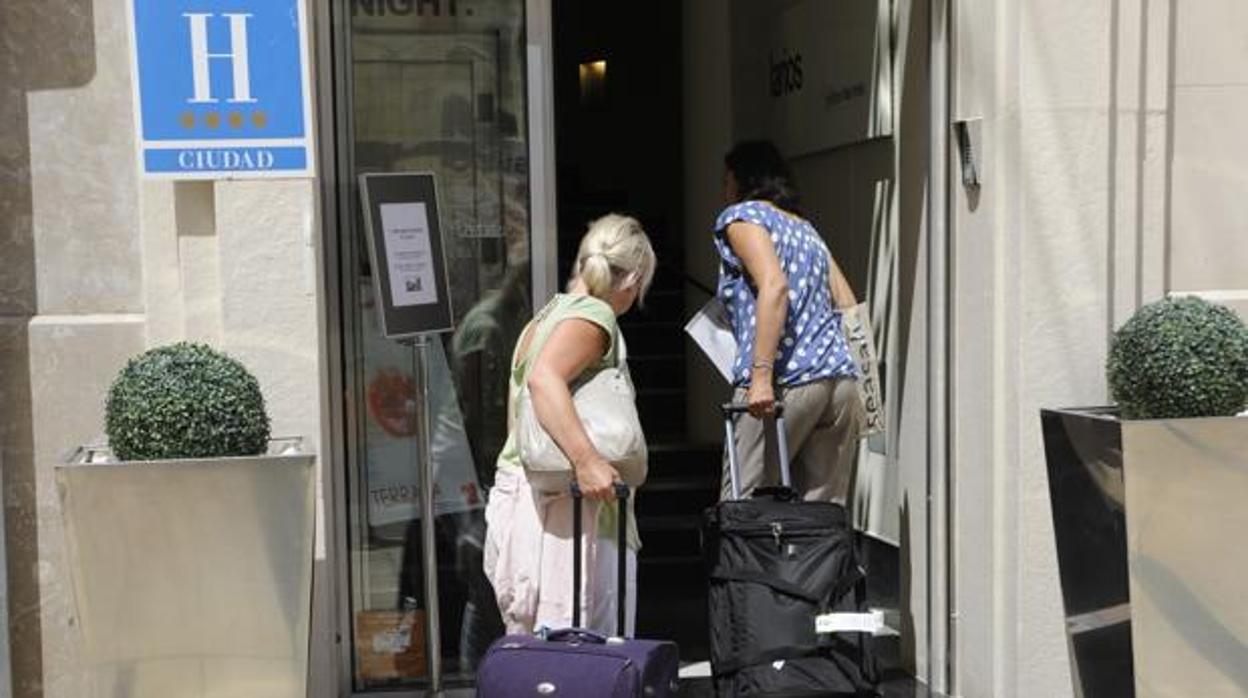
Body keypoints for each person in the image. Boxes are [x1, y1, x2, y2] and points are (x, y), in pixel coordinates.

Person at [483, 213, 656, 636]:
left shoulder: (545, 317)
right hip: (579, 513)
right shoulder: (595, 316)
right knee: (595, 656)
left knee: (545, 660)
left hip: (529, 501)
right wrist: (587, 460)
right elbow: (545, 379)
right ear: (633, 280)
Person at [712, 140, 865, 503]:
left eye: (726, 179)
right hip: (838, 381)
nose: (724, 189)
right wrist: (867, 385)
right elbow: (847, 303)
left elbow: (774, 285)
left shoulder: (743, 217)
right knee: (819, 513)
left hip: (787, 381)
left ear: (739, 179)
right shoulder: (805, 229)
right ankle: (817, 564)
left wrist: (760, 376)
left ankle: (745, 564)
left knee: (743, 502)